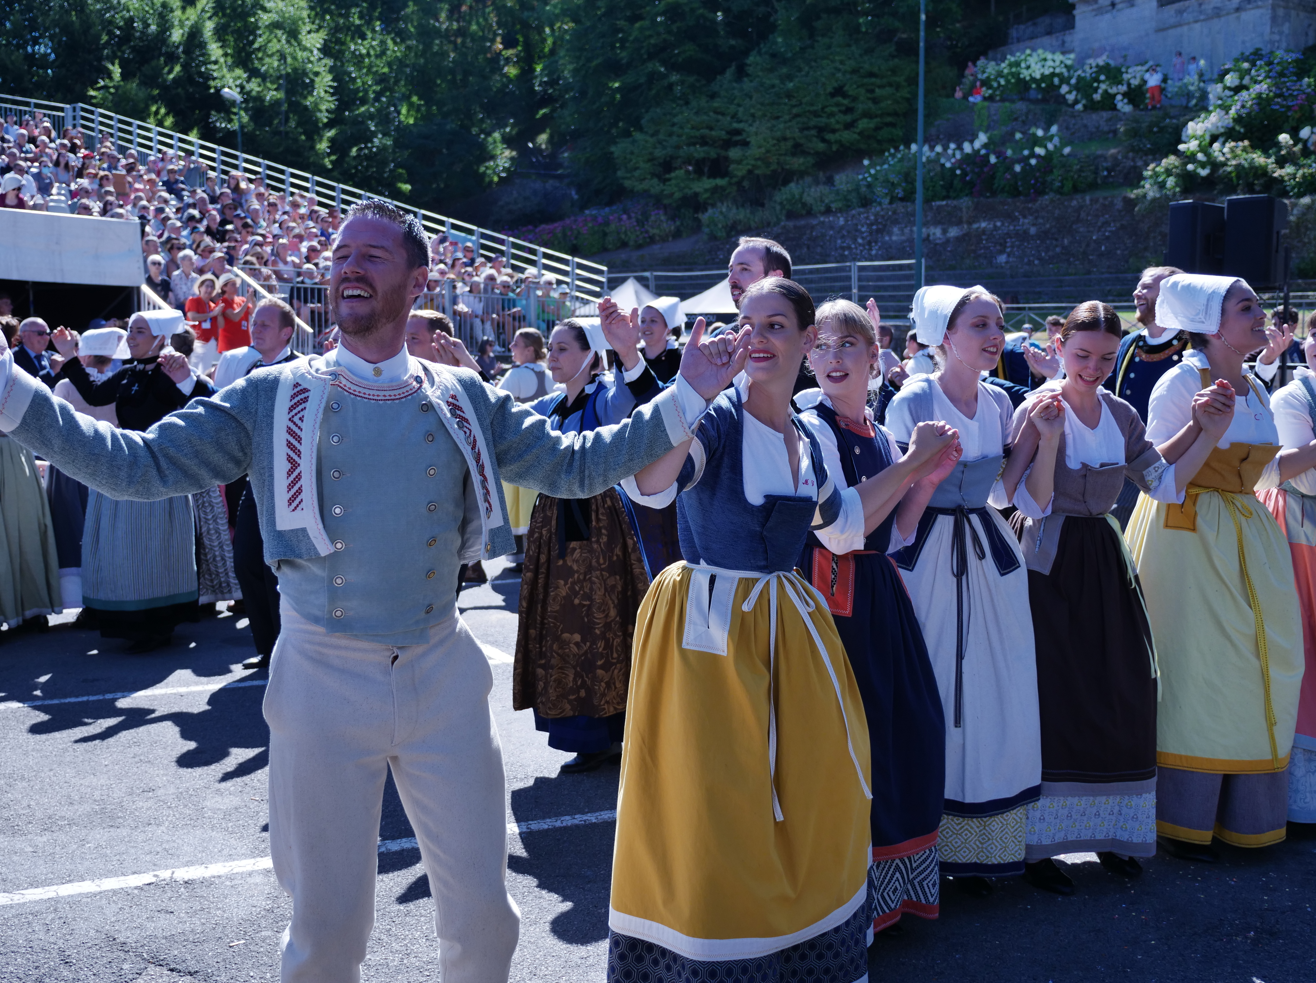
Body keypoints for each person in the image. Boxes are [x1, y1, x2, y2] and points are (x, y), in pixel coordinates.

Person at [0, 198, 726, 983]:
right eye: (341, 252)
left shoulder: (464, 395)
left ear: (418, 281)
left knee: (487, 920)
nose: (348, 265)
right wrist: (17, 397)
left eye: (371, 256)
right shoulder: (273, 392)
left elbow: (580, 463)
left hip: (442, 671)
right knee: (326, 933)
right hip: (320, 675)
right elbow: (137, 467)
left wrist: (683, 394)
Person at [611, 277, 954, 982]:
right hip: (709, 630)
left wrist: (914, 466)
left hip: (791, 628)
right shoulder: (719, 419)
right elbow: (648, 484)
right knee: (717, 803)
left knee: (817, 789)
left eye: (775, 326)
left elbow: (847, 525)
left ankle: (801, 948)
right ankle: (706, 955)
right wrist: (688, 394)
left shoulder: (805, 436)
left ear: (802, 341)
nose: (757, 337)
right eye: (748, 323)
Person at [1005, 301, 1217, 893]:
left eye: (1103, 356)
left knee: (1122, 685)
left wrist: (1207, 430)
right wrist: (1047, 444)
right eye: (1081, 355)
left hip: (1103, 552)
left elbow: (1162, 483)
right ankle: (1039, 845)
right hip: (1047, 559)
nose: (1093, 367)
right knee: (1055, 691)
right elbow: (1021, 499)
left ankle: (1114, 833)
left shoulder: (1121, 414)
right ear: (1061, 346)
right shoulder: (1038, 407)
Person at [1126, 274, 1306, 861]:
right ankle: (1185, 819)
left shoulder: (1254, 387)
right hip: (1190, 535)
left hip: (1249, 533)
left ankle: (1246, 817)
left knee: (1264, 660)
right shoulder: (1182, 381)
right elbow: (1159, 479)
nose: (1261, 317)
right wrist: (1204, 429)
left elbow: (1269, 472)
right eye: (1247, 308)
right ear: (1212, 323)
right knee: (1203, 668)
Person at [796, 298, 958, 933]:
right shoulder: (809, 428)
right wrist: (913, 464)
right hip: (830, 601)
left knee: (903, 732)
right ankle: (843, 906)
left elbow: (894, 537)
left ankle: (890, 896)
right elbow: (842, 532)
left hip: (878, 595)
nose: (833, 357)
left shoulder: (881, 432)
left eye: (848, 345)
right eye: (823, 346)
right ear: (808, 357)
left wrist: (924, 481)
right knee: (849, 745)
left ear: (875, 354)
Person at [884, 284, 1043, 896]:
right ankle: (931, 843)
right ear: (943, 337)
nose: (993, 333)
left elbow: (1003, 492)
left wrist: (1037, 439)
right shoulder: (914, 398)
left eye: (997, 323)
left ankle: (988, 839)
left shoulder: (1000, 401)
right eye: (979, 323)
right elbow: (896, 490)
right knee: (936, 686)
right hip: (925, 553)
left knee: (993, 686)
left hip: (987, 548)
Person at [513, 311, 664, 772]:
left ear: (589, 357)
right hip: (556, 524)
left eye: (562, 349)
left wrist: (628, 352)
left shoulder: (604, 398)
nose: (552, 357)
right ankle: (583, 727)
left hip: (598, 527)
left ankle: (606, 729)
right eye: (552, 348)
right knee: (563, 623)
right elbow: (508, 427)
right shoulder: (553, 406)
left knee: (597, 623)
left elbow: (645, 405)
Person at [49, 309, 217, 651]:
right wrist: (69, 355)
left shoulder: (172, 370)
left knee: (155, 549)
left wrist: (187, 378)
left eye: (139, 331)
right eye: (131, 331)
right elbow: (95, 395)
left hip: (159, 470)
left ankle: (156, 622)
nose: (131, 337)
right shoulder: (127, 372)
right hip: (123, 465)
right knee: (122, 549)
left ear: (159, 338)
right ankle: (124, 616)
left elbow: (206, 404)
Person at [1257, 316, 1316, 824]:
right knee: (1301, 649)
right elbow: (1278, 470)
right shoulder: (1292, 398)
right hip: (1301, 534)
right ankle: (1300, 799)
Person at [224, 299, 299, 671]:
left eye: (265, 324)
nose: (256, 329)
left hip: (288, 485)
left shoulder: (302, 370)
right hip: (254, 483)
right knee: (246, 561)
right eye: (254, 322)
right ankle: (268, 646)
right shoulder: (251, 368)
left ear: (286, 332)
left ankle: (289, 649)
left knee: (277, 569)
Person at [48, 326, 124, 612]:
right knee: (106, 533)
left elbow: (57, 428)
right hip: (106, 463)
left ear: (84, 353)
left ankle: (81, 601)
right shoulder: (115, 385)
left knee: (73, 532)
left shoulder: (67, 386)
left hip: (70, 467)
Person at [496, 327, 550, 570]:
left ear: (530, 350)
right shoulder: (549, 374)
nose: (511, 348)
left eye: (515, 344)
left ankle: (521, 555)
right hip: (544, 445)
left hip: (518, 445)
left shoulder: (515, 375)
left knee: (516, 502)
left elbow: (497, 402)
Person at [637, 297, 684, 384]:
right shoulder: (634, 358)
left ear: (668, 327)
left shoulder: (680, 360)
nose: (646, 326)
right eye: (643, 321)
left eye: (653, 321)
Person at [184, 273, 222, 374]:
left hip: (210, 341)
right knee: (193, 369)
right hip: (196, 340)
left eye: (212, 287)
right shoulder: (193, 301)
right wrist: (211, 315)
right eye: (207, 286)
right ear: (200, 287)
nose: (209, 289)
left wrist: (219, 313)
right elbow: (193, 316)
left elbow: (219, 324)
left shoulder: (213, 305)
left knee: (206, 370)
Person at [14, 318, 58, 388]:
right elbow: (26, 386)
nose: (45, 337)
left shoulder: (55, 357)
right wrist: (51, 371)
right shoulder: (13, 358)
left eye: (47, 333)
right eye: (40, 333)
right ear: (24, 335)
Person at [215, 272, 252, 355]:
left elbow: (254, 312)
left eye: (236, 284)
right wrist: (247, 302)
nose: (236, 287)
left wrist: (252, 299)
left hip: (245, 343)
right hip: (229, 345)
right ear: (224, 287)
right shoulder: (222, 302)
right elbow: (235, 317)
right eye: (232, 284)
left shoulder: (242, 300)